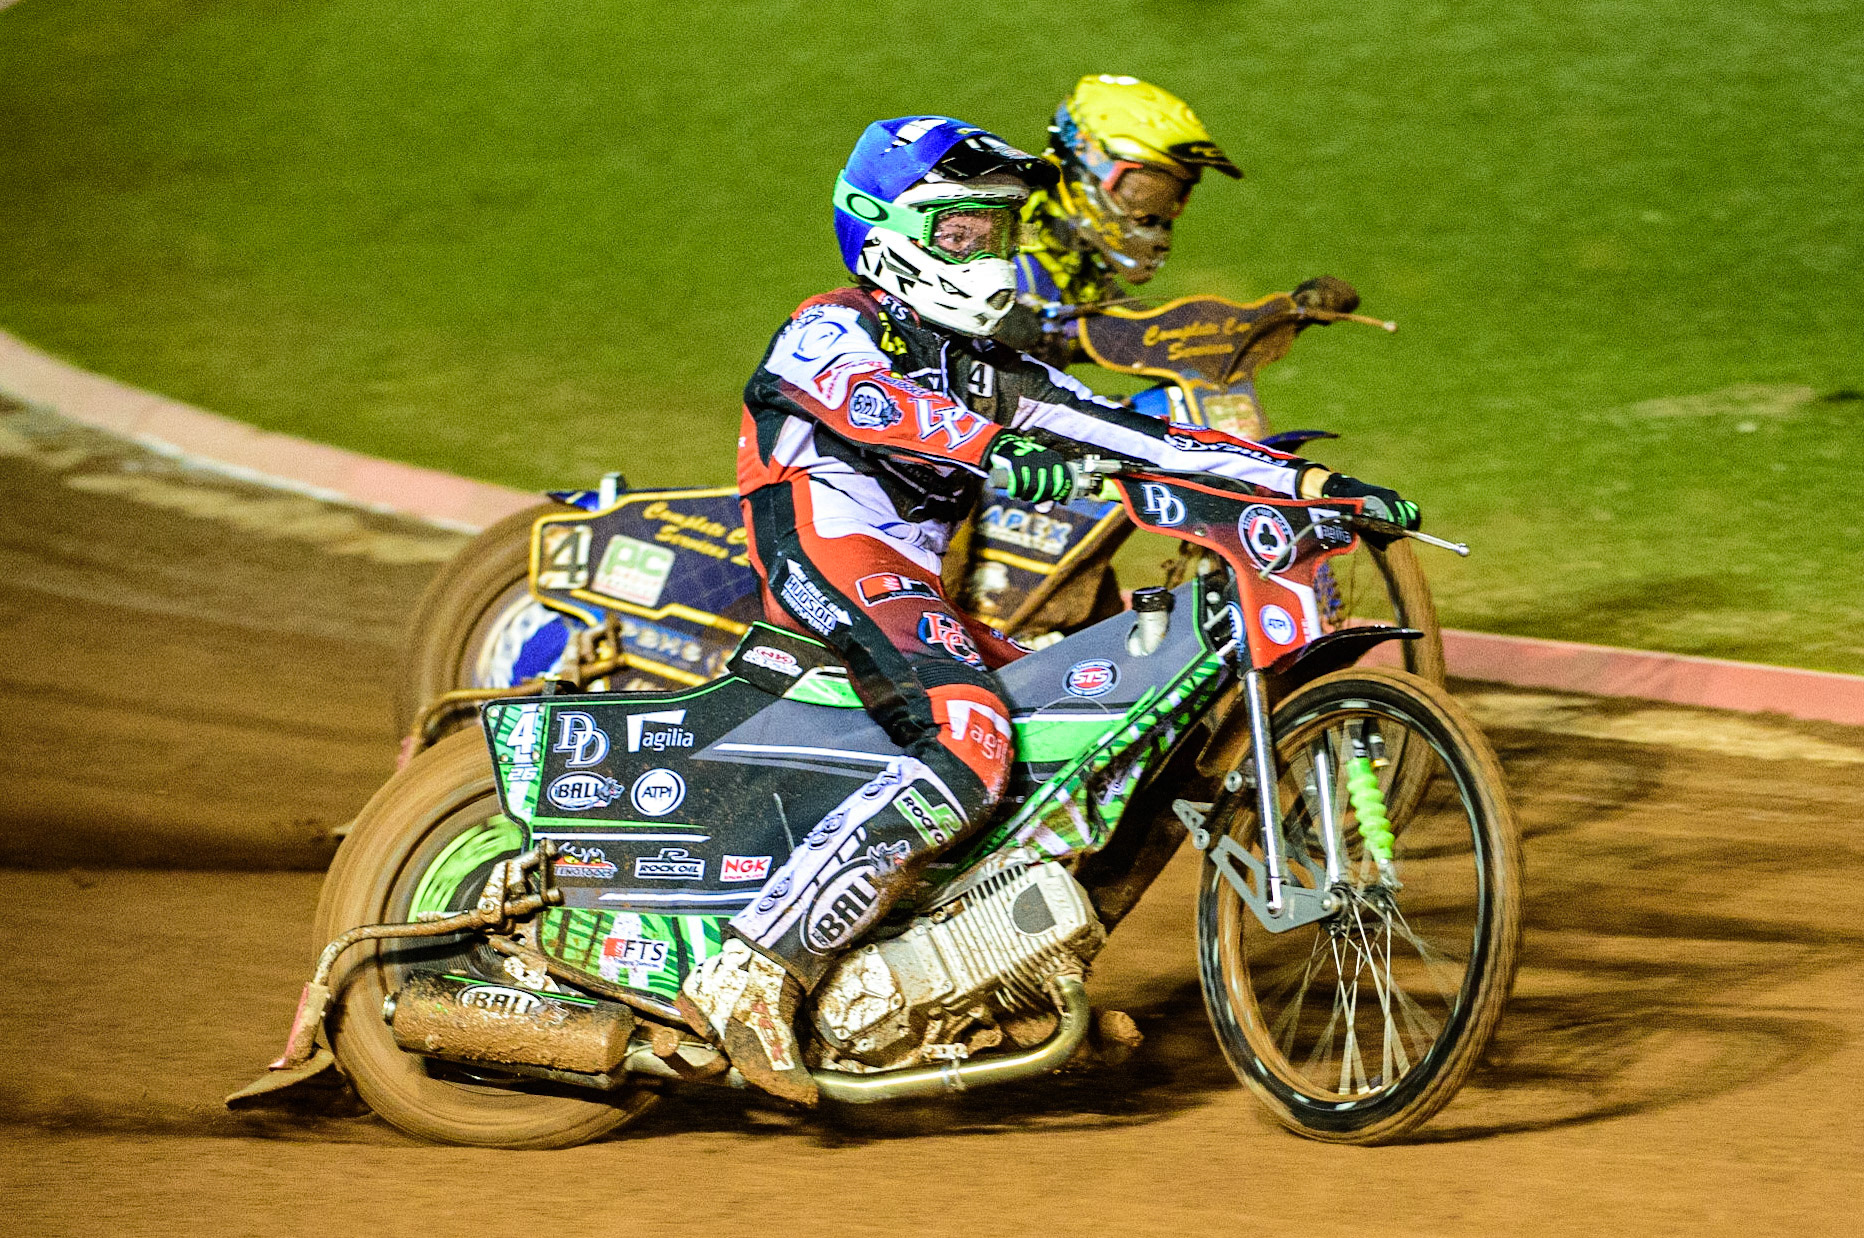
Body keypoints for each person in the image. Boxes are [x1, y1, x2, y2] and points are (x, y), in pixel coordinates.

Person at [676, 115, 1419, 1106]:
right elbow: (871, 407)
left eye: (998, 229)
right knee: (971, 732)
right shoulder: (831, 326)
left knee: (1081, 728)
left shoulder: (994, 370)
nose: (988, 251)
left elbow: (1137, 436)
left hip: (907, 586)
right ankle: (752, 967)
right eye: (961, 232)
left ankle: (976, 979)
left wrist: (1316, 484)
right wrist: (989, 447)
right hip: (822, 550)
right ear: (884, 232)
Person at [996, 73, 1244, 372]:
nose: (1155, 218)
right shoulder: (1004, 243)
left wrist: (1288, 311)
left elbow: (1140, 336)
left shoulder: (1071, 253)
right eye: (1142, 194)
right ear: (1088, 167)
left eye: (1170, 197)